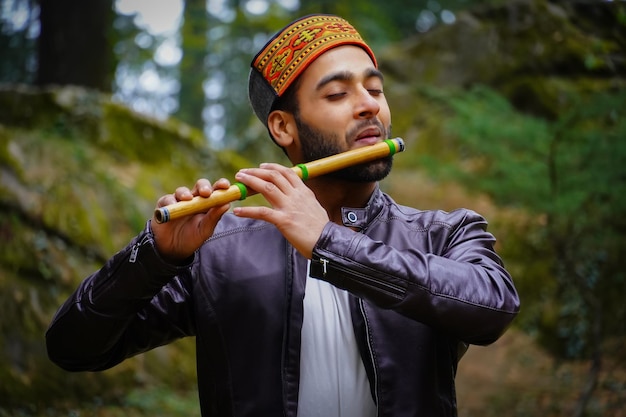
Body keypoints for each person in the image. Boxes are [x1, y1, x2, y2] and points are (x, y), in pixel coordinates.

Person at [46, 14, 520, 417]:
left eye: (375, 89)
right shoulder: (220, 251)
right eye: (337, 95)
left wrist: (329, 244)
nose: (369, 105)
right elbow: (73, 348)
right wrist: (155, 258)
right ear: (283, 127)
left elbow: (492, 308)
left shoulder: (444, 231)